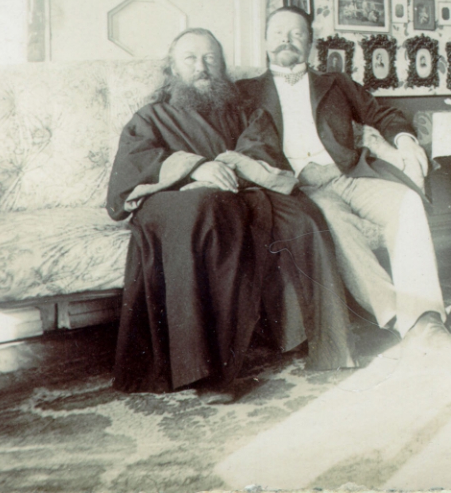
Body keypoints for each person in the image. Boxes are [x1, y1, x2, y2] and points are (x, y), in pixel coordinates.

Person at [106, 29, 356, 395]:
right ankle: (205, 371)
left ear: (222, 65)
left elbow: (260, 148)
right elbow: (135, 165)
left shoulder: (242, 110)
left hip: (238, 190)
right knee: (207, 208)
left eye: (210, 58)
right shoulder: (151, 116)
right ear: (172, 68)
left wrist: (229, 165)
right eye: (190, 58)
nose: (202, 66)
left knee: (304, 217)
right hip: (174, 200)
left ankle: (325, 345)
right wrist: (195, 168)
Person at [237, 7, 451, 362]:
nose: (287, 40)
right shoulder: (245, 92)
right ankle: (410, 324)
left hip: (349, 175)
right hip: (301, 190)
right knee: (335, 222)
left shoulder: (335, 82)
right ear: (265, 40)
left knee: (406, 203)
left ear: (310, 42)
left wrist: (405, 140)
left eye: (297, 33)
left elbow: (381, 113)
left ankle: (426, 316)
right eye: (278, 33)